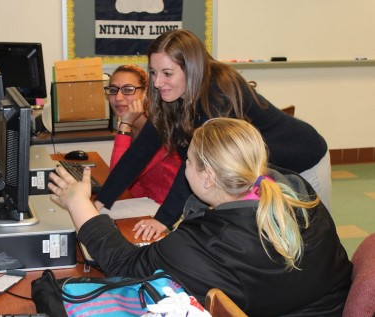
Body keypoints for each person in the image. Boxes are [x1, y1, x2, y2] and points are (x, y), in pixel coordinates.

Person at [48, 117, 352, 316]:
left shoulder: (209, 244)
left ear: (208, 177)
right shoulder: (296, 190)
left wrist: (78, 203)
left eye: (189, 161)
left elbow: (126, 266)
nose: (184, 167)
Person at [94, 29, 332, 240]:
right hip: (262, 168)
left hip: (301, 158)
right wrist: (99, 202)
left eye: (167, 73)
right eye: (154, 73)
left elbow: (196, 165)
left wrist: (163, 220)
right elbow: (140, 152)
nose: (157, 83)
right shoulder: (174, 94)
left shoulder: (217, 93)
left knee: (313, 237)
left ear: (191, 69)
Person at [105, 65, 181, 204]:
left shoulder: (158, 130)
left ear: (146, 93)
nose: (118, 98)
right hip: (144, 206)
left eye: (128, 90)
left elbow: (117, 182)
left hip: (167, 214)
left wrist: (125, 125)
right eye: (113, 90)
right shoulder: (132, 127)